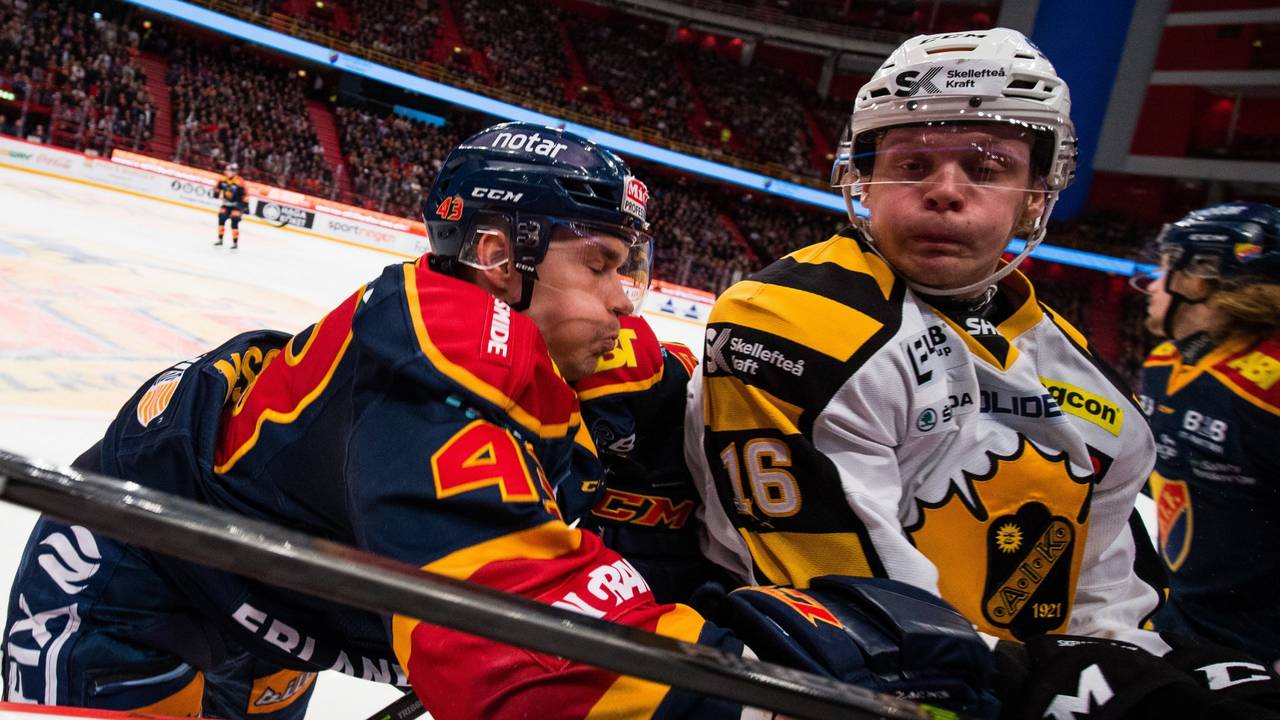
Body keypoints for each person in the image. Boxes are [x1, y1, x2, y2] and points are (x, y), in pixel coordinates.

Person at [4, 122, 996, 720]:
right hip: (128, 587)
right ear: (495, 255)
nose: (626, 301)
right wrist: (794, 676)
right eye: (601, 265)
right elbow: (518, 667)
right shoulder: (438, 350)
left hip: (283, 608)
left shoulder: (587, 346)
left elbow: (679, 456)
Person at [683, 28, 1280, 717]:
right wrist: (1069, 684)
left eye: (987, 167)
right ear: (862, 179)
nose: (945, 191)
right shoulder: (791, 321)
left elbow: (1106, 601)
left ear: (1036, 194)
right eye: (912, 165)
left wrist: (1155, 667)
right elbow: (861, 622)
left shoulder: (1081, 369)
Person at [1137, 203, 1280, 671]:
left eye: (1165, 268)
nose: (1152, 285)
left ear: (1201, 277)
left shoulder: (1271, 388)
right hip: (1179, 623)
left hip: (1260, 652)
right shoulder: (1163, 363)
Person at [214, 162, 246, 248]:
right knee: (221, 218)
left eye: (229, 170)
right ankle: (220, 239)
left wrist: (244, 206)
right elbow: (217, 189)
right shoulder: (222, 179)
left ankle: (235, 243)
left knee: (234, 221)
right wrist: (216, 192)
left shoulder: (239, 181)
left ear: (234, 172)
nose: (226, 172)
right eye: (226, 170)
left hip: (236, 205)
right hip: (226, 204)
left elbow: (245, 194)